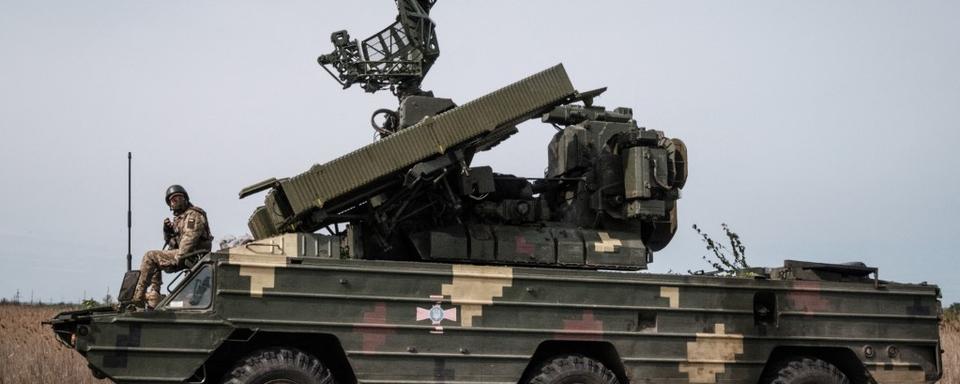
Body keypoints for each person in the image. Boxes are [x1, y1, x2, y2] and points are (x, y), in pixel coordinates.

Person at [131, 185, 213, 308]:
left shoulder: (193, 215)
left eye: (178, 198)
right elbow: (173, 244)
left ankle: (138, 295)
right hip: (187, 256)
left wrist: (177, 258)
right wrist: (168, 232)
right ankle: (154, 295)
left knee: (151, 256)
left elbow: (189, 240)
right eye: (172, 200)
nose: (175, 201)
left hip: (194, 256)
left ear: (185, 199)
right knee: (156, 261)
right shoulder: (179, 219)